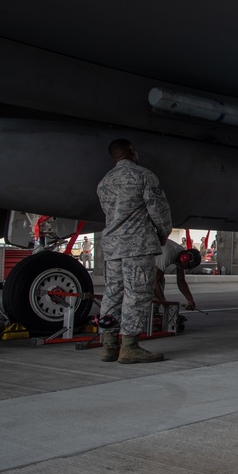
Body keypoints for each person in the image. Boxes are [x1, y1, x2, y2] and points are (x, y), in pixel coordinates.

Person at [96, 139, 173, 364]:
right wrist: (162, 233)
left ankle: (109, 346)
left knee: (112, 293)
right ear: (132, 151)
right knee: (137, 293)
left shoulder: (104, 182)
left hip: (112, 247)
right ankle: (129, 346)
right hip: (137, 245)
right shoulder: (143, 176)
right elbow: (159, 211)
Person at [154, 240, 201, 311]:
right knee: (153, 285)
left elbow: (181, 280)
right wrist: (165, 304)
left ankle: (155, 309)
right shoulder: (168, 255)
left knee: (161, 280)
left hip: (152, 261)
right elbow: (154, 281)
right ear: (184, 258)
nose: (187, 269)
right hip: (141, 261)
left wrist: (190, 299)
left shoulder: (180, 254)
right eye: (188, 266)